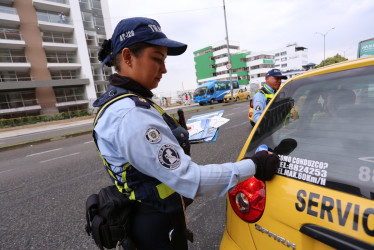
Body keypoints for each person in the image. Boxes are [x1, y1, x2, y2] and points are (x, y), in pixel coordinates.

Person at [93, 17, 280, 250]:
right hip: (154, 227)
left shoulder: (124, 102)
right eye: (157, 59)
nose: (164, 69)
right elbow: (192, 180)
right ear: (128, 56)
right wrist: (255, 165)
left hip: (151, 217)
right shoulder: (131, 113)